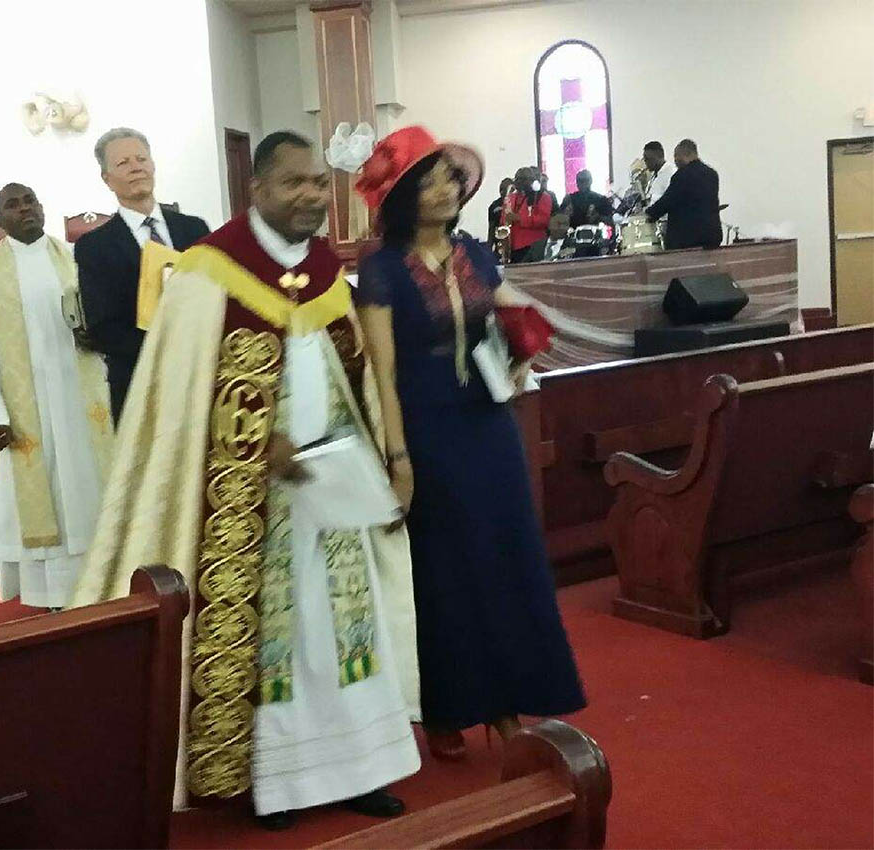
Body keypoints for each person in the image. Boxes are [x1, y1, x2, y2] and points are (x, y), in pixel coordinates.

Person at [71, 130, 420, 830]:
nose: (311, 197)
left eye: (319, 184)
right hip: (245, 497)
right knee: (276, 637)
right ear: (256, 189)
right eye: (293, 183)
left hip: (333, 480)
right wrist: (259, 441)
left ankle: (358, 766)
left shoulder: (324, 266)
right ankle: (272, 779)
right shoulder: (208, 270)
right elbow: (175, 401)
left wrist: (385, 454)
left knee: (347, 627)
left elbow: (353, 372)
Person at [353, 125, 586, 762]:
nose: (444, 190)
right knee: (445, 571)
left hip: (488, 425)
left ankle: (507, 699)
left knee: (506, 557)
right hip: (428, 429)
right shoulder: (379, 271)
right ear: (401, 198)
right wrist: (397, 457)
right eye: (427, 183)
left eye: (449, 179)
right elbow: (383, 373)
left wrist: (526, 339)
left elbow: (518, 316)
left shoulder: (477, 254)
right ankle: (449, 706)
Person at [0, 183, 114, 608]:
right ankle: (54, 593)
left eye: (30, 201)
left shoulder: (75, 258)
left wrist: (95, 333)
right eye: (13, 205)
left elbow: (103, 319)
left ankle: (104, 577)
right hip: (28, 411)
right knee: (46, 489)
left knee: (89, 487)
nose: (24, 209)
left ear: (42, 207)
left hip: (82, 399)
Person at [76, 127, 210, 422]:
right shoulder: (94, 247)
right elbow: (102, 327)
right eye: (123, 163)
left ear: (152, 165)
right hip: (139, 382)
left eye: (141, 158)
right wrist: (166, 351)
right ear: (106, 178)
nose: (136, 167)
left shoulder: (194, 229)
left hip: (202, 375)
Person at [646, 139, 723, 250]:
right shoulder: (712, 174)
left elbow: (668, 201)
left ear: (684, 155)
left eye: (676, 156)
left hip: (688, 239)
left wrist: (649, 214)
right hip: (711, 237)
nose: (675, 161)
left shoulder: (682, 176)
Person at [560, 170, 614, 258]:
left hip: (596, 242)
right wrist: (566, 214)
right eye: (580, 181)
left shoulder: (600, 199)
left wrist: (598, 217)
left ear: (591, 181)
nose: (583, 184)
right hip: (574, 243)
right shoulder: (569, 200)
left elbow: (610, 222)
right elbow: (559, 222)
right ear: (576, 183)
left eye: (586, 180)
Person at [505, 166, 552, 263]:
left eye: (522, 179)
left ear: (532, 180)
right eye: (516, 179)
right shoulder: (510, 197)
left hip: (534, 246)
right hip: (513, 247)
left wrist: (519, 218)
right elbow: (504, 221)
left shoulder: (543, 197)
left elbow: (544, 220)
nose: (518, 182)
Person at [641, 140, 676, 206]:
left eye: (648, 159)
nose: (646, 163)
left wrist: (651, 198)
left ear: (660, 155)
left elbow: (672, 199)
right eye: (644, 160)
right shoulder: (654, 174)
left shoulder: (672, 173)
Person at [486, 176, 513, 245]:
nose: (510, 193)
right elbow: (491, 229)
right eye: (507, 190)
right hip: (499, 241)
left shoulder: (518, 203)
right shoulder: (494, 206)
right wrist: (489, 247)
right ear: (501, 192)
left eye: (512, 190)